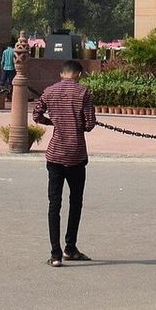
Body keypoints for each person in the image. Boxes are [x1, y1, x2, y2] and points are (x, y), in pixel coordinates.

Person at [32, 58, 96, 265]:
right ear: (78, 74)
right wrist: (76, 123)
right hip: (76, 155)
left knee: (54, 204)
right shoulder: (84, 93)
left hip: (55, 155)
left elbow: (36, 114)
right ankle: (71, 247)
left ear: (62, 74)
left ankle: (55, 254)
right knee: (75, 202)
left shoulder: (50, 91)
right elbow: (89, 124)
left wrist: (53, 122)